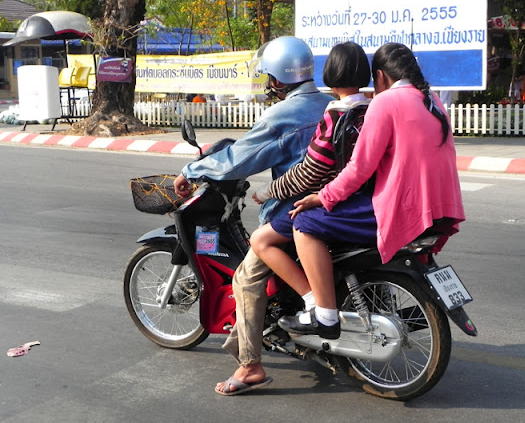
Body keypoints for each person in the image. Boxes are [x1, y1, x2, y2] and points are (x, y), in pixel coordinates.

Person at [173, 36, 335, 395]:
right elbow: (249, 144)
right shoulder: (330, 104)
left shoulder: (282, 114)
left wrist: (192, 169)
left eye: (269, 77)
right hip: (339, 207)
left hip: (296, 212)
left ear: (278, 78)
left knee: (246, 279)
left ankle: (250, 367)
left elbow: (240, 159)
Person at [277, 42, 466, 339]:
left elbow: (359, 168)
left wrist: (321, 197)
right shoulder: (433, 101)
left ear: (379, 76)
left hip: (405, 207)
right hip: (442, 210)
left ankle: (324, 315)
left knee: (304, 223)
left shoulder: (386, 102)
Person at [249, 41, 371, 315]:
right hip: (363, 200)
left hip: (333, 202)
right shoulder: (372, 111)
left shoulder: (337, 115)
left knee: (261, 240)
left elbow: (310, 172)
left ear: (330, 73)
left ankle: (315, 302)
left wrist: (268, 191)